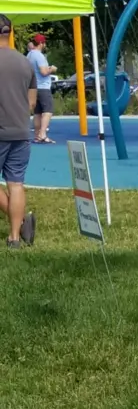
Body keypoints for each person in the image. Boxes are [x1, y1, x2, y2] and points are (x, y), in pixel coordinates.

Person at [0, 14, 37, 248]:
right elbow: (31, 103)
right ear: (10, 32)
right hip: (21, 131)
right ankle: (15, 236)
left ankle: (22, 223)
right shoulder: (25, 62)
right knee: (16, 183)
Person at [27, 33, 57, 144]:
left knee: (37, 113)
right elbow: (43, 72)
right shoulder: (39, 56)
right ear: (40, 43)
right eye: (44, 42)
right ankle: (43, 134)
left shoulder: (29, 55)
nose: (45, 44)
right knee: (48, 111)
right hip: (43, 87)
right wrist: (52, 69)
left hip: (33, 87)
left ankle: (37, 135)